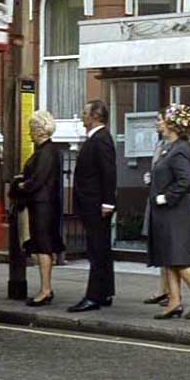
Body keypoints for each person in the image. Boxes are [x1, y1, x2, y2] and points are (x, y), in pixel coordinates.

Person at [148, 103, 190, 320]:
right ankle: (174, 301)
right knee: (169, 258)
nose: (158, 122)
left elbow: (187, 180)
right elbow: (169, 173)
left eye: (161, 119)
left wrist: (167, 196)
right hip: (166, 213)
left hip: (176, 212)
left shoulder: (181, 149)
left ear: (172, 124)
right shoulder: (169, 147)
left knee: (180, 259)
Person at [12, 110, 65, 307]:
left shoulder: (46, 152)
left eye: (32, 129)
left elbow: (38, 180)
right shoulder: (48, 151)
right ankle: (46, 288)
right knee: (43, 247)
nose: (29, 133)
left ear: (39, 131)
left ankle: (45, 290)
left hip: (43, 206)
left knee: (43, 247)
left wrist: (21, 184)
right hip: (44, 205)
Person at [68, 100, 117, 313]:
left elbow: (108, 172)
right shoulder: (96, 138)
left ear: (95, 116)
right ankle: (105, 292)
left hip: (97, 205)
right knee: (102, 249)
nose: (82, 116)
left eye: (85, 113)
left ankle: (94, 296)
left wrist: (107, 202)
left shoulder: (101, 139)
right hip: (94, 204)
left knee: (97, 250)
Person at [141, 112, 170, 307]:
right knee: (160, 247)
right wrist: (150, 178)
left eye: (159, 119)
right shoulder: (160, 145)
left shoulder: (177, 147)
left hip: (167, 204)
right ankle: (164, 290)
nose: (156, 123)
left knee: (169, 250)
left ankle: (172, 293)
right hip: (156, 200)